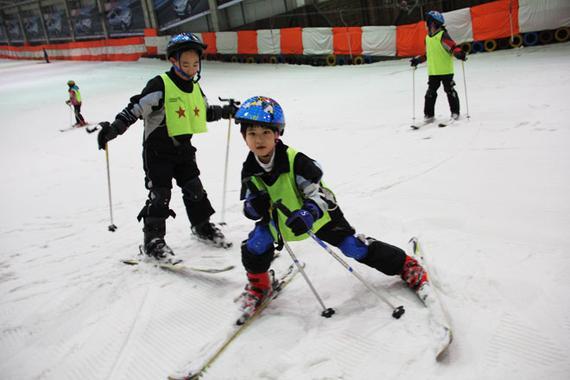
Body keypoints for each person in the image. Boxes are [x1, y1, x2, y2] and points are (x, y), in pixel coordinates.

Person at [233, 96, 428, 316]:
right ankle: (260, 285)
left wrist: (309, 212)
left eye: (266, 133)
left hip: (321, 217)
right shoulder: (249, 167)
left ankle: (405, 265)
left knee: (352, 247)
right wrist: (253, 207)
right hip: (282, 220)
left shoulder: (295, 161)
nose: (259, 140)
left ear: (277, 134)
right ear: (244, 137)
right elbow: (248, 203)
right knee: (256, 243)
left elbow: (320, 195)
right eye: (252, 134)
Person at [96, 32, 237, 260]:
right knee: (160, 194)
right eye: (186, 63)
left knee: (194, 189)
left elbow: (203, 113)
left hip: (183, 151)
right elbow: (135, 109)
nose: (191, 68)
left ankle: (202, 226)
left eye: (195, 63)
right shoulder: (160, 85)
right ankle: (153, 242)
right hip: (157, 153)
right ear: (173, 60)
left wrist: (225, 112)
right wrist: (114, 129)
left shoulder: (195, 88)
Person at [410, 10, 467, 122]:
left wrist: (459, 53)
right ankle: (429, 115)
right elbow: (429, 54)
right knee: (430, 93)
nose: (426, 24)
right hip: (433, 72)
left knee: (449, 90)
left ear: (433, 23)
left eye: (428, 21)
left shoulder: (442, 36)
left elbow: (452, 47)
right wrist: (418, 60)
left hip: (445, 70)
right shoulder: (428, 38)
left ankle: (455, 113)